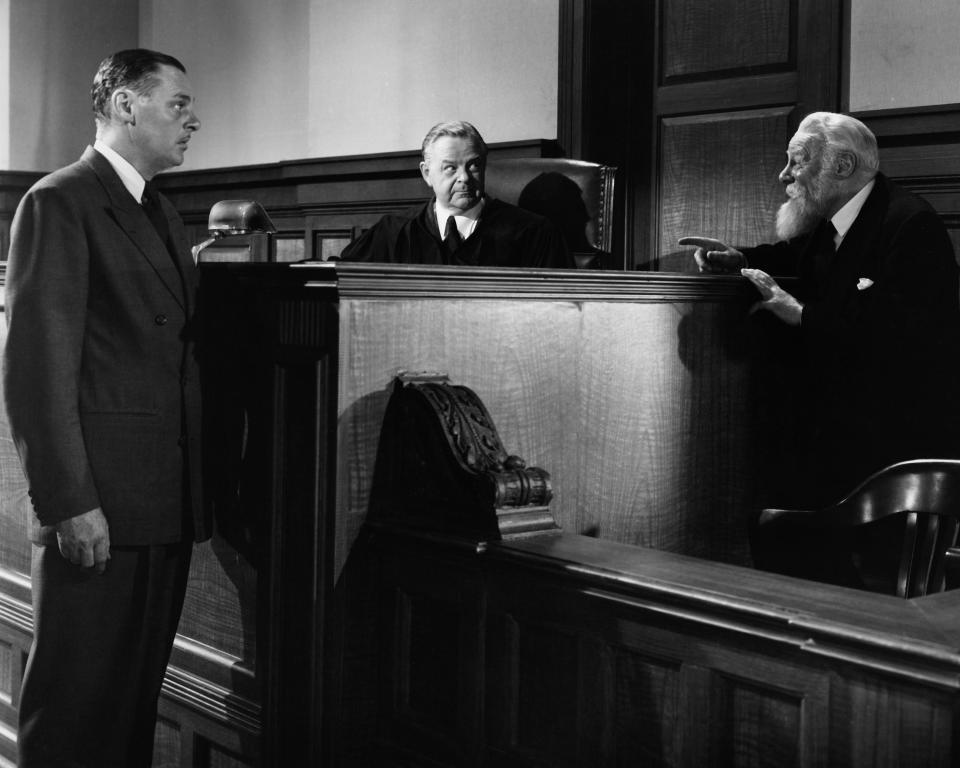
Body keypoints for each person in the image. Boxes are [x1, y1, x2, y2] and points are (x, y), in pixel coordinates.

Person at [3, 49, 205, 767]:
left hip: (160, 505)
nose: (194, 120)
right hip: (96, 511)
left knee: (128, 712)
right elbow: (35, 370)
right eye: (178, 104)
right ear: (125, 104)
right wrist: (68, 504)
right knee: (72, 716)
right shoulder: (59, 201)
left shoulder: (163, 213)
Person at [680, 111, 960, 583]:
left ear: (843, 167)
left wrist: (801, 313)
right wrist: (740, 259)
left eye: (797, 162)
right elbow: (796, 259)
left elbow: (906, 340)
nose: (784, 175)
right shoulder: (832, 222)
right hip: (837, 448)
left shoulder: (912, 225)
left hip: (892, 460)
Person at [338, 120, 573, 268]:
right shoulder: (394, 231)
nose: (464, 178)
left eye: (473, 165)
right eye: (450, 167)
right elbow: (343, 280)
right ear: (427, 173)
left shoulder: (534, 233)